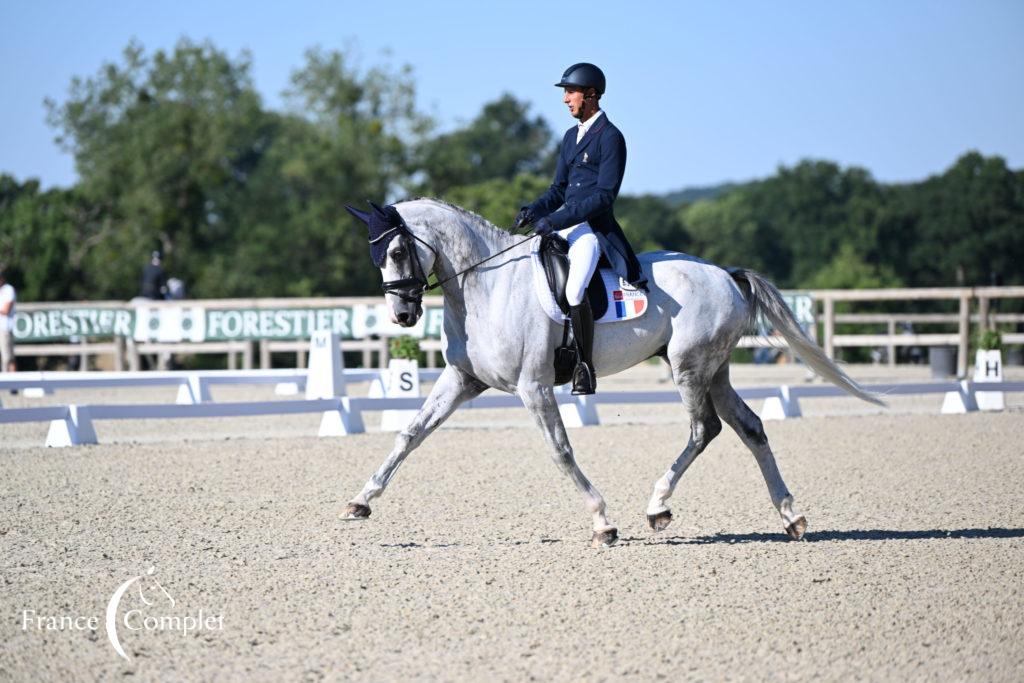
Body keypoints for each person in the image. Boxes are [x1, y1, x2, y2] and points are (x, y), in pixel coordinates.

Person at [514, 62, 647, 395]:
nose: (565, 100)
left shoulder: (611, 137)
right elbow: (558, 189)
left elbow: (604, 195)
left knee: (574, 291)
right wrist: (534, 210)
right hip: (564, 225)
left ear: (590, 95)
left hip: (591, 230)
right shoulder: (571, 136)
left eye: (569, 92)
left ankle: (584, 367)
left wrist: (556, 220)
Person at [0, 265, 16, 374]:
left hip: (4, 328)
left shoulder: (8, 290)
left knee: (7, 357)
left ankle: (9, 382)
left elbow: (6, 310)